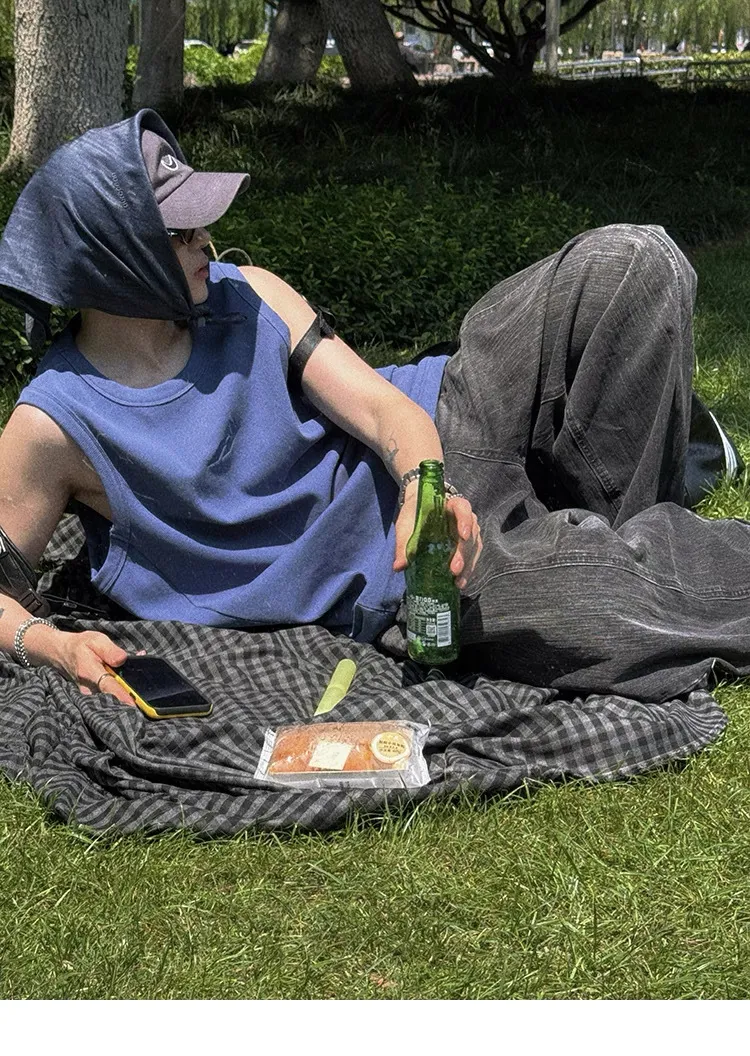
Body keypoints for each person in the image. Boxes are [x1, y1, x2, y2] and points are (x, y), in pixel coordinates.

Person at [0, 108, 748, 710]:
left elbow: (387, 411)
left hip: (449, 423)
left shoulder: (247, 293)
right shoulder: (54, 423)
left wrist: (425, 484)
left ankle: (618, 526)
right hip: (411, 572)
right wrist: (50, 643)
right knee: (595, 599)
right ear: (115, 255)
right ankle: (620, 538)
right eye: (181, 231)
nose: (207, 240)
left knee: (634, 263)